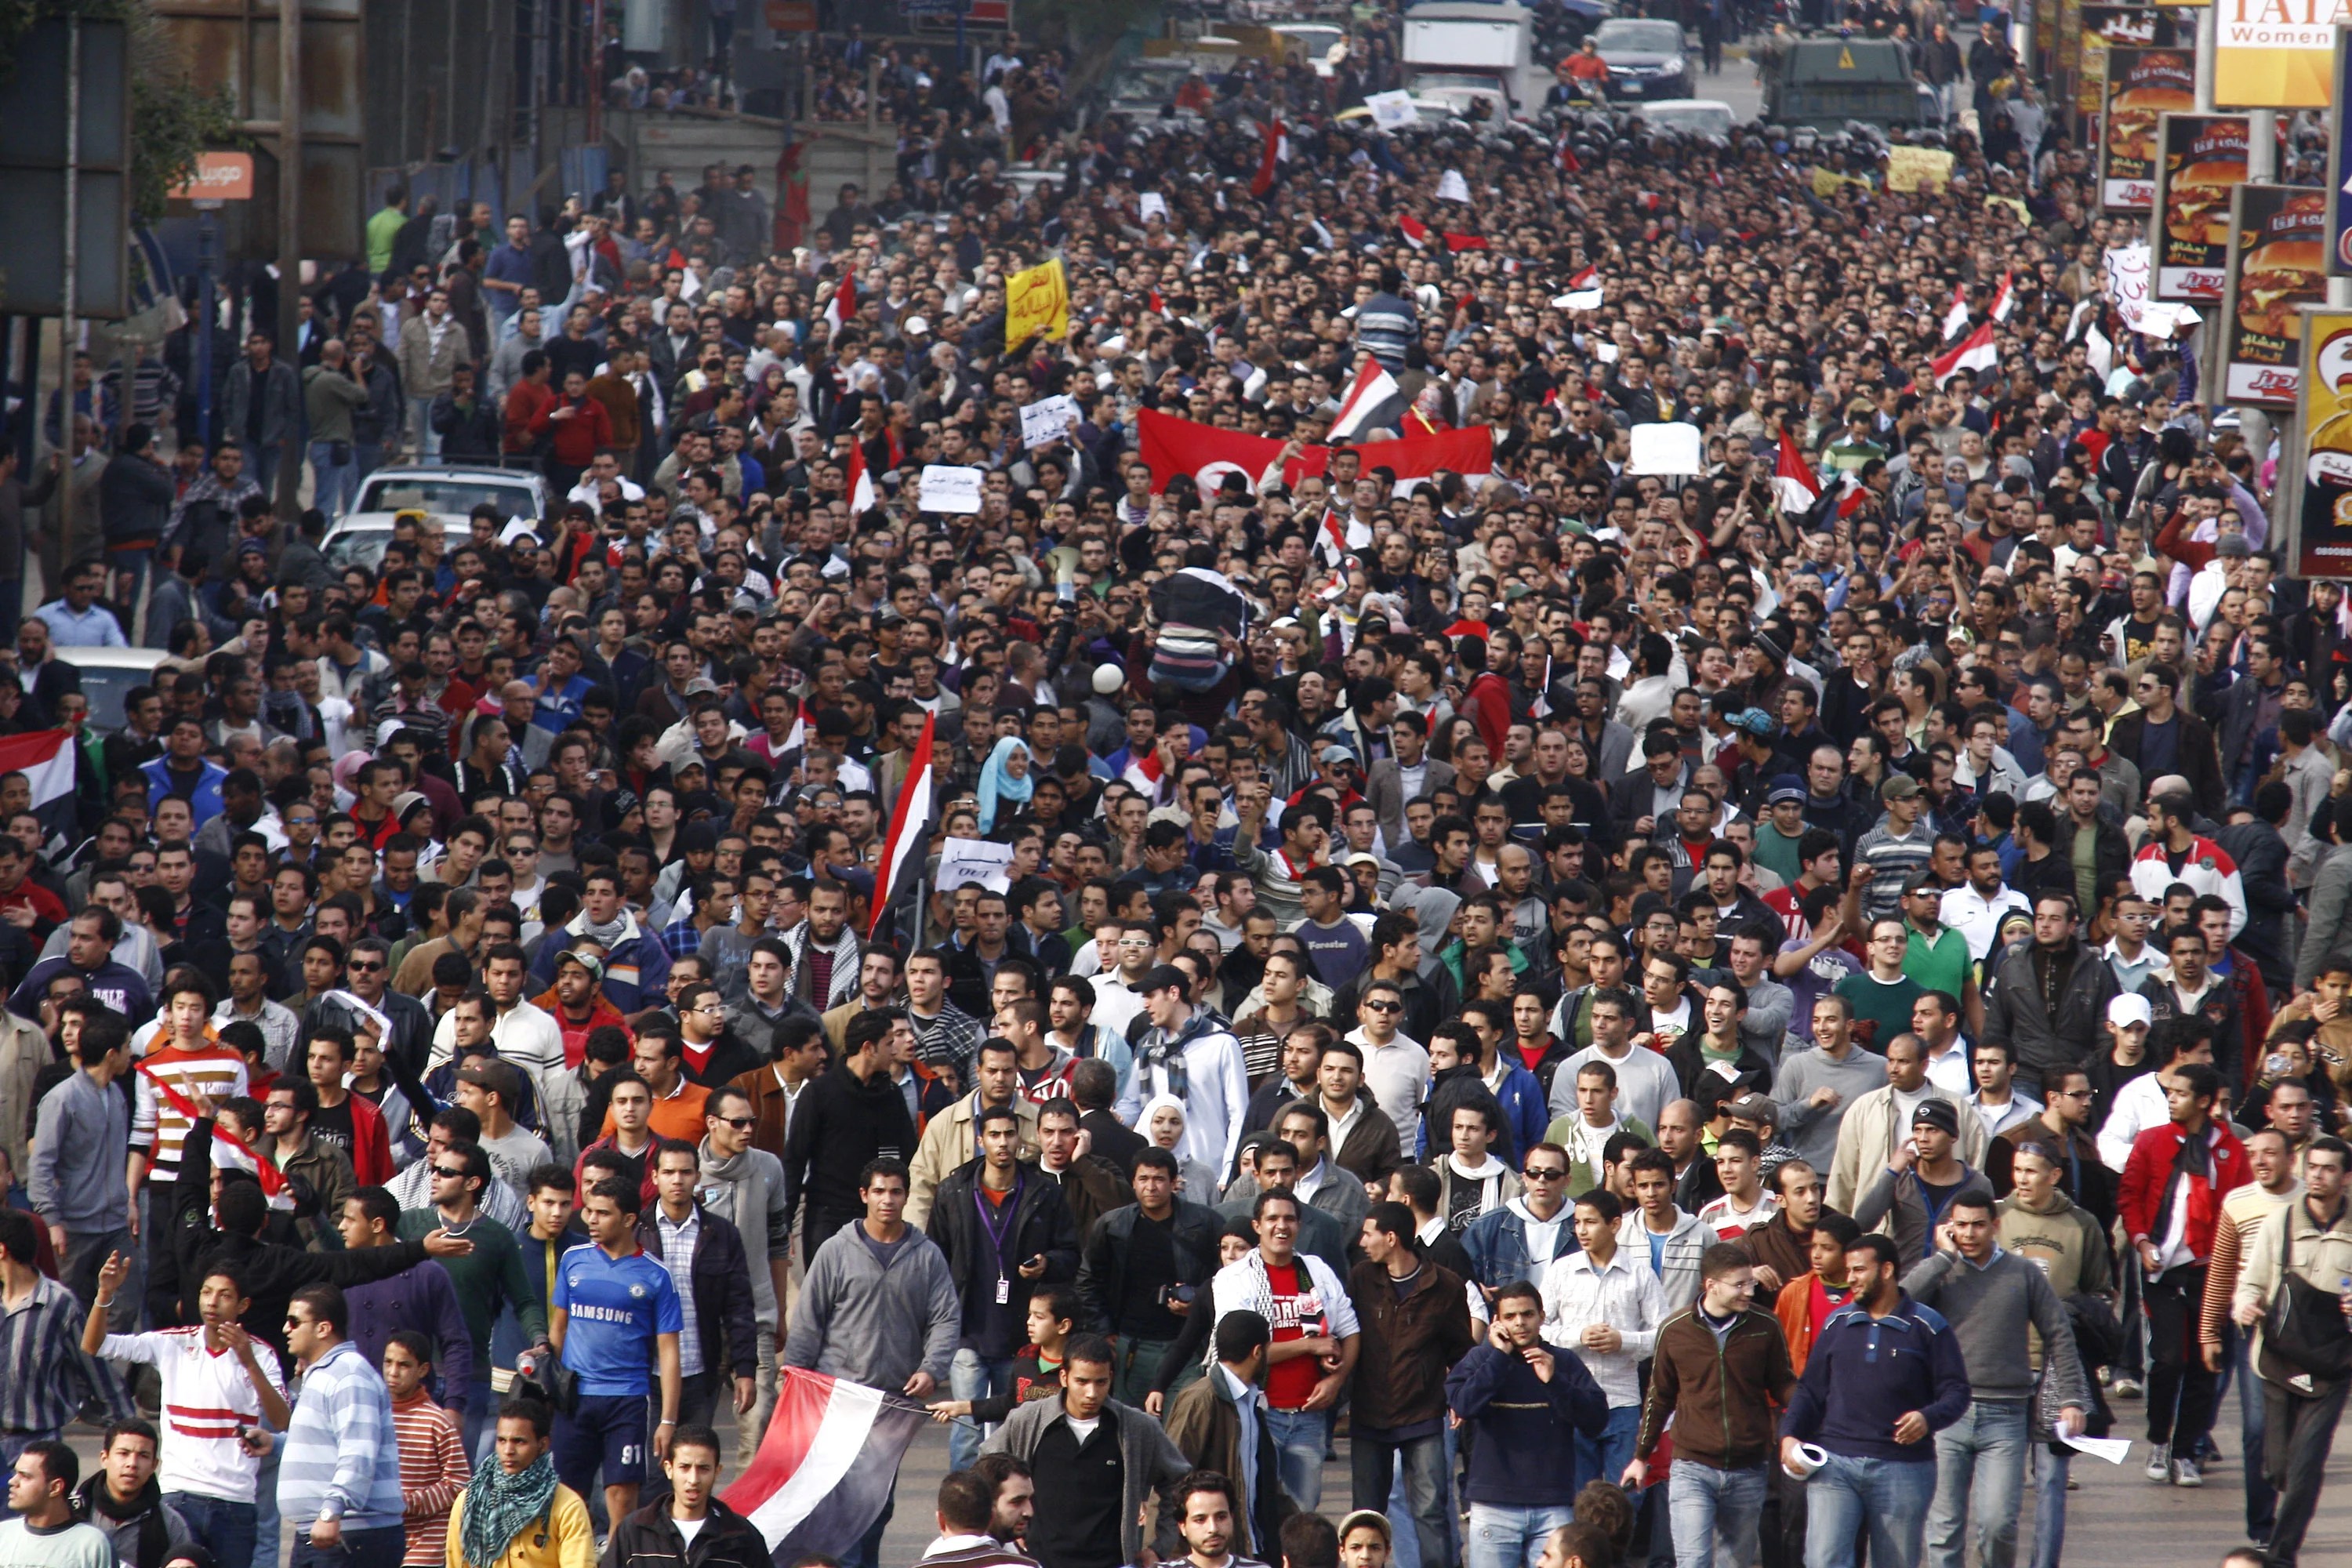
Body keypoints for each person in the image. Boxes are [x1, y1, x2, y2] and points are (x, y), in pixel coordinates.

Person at [782, 1158, 958, 1568]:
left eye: (896, 1192)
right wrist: (794, 1384)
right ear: (864, 1195)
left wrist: (932, 1368)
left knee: (877, 1504)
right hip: (837, 1399)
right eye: (879, 1191)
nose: (887, 1200)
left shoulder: (927, 1256)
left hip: (892, 1406)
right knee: (836, 1502)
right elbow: (809, 1321)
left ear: (906, 1196)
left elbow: (945, 1318)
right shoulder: (835, 1251)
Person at [1900, 1191, 2088, 1568]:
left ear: (1995, 1227)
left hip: (2005, 1414)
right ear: (1949, 1227)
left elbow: (2059, 1333)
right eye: (1961, 1225)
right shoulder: (1941, 1270)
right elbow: (1901, 1304)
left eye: (1978, 1225)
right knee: (1944, 1527)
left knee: (1998, 1523)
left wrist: (2071, 1398)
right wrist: (1941, 1257)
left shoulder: (2023, 1273)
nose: (1969, 1234)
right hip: (1946, 1414)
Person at [82, 1253, 289, 1568]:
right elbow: (95, 1345)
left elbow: (282, 1420)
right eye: (207, 1292)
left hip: (235, 1504)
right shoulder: (173, 1343)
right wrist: (105, 1295)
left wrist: (248, 1361)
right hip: (178, 1498)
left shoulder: (260, 1353)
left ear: (243, 1305)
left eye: (224, 1295)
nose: (212, 1302)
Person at [1779, 1233, 1974, 1568]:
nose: (1850, 1279)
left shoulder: (1928, 1326)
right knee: (1823, 1560)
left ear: (1886, 1270)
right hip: (1835, 1463)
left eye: (1858, 1270)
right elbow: (1810, 1390)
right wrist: (1788, 1436)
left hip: (1903, 1468)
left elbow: (1957, 1392)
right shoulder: (1837, 1323)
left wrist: (1928, 1418)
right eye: (1848, 1271)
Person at [927, 1103, 1081, 1470]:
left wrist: (1048, 1264)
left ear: (1019, 1138)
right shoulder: (954, 1191)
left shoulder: (1044, 1192)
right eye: (994, 1135)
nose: (1002, 1143)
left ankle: (1010, 1505)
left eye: (1009, 1134)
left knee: (1016, 1426)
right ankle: (964, 1506)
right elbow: (935, 1259)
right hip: (967, 1329)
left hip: (1022, 1334)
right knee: (966, 1428)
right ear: (980, 1140)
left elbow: (1071, 1252)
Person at [2119, 1062, 2251, 1486]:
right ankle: (2159, 1438)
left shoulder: (2230, 1147)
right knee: (2169, 1358)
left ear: (2203, 1101)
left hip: (2212, 1272)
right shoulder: (2152, 1140)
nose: (2170, 1098)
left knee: (2205, 1363)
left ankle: (2186, 1450)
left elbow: (2243, 1206)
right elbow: (2131, 1195)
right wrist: (2141, 1241)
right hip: (2164, 1268)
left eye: (2179, 1093)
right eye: (2169, 1092)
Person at [1623, 1243, 1794, 1568]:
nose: (1749, 1291)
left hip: (1749, 1466)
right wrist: (1641, 1457)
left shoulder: (1766, 1325)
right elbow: (1659, 1396)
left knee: (1736, 1564)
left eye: (1751, 1283)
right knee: (1693, 1561)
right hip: (1692, 1467)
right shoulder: (1674, 1330)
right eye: (1740, 1285)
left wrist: (1802, 1417)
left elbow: (1783, 1382)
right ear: (1711, 1286)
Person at [2230, 1135, 2352, 1567]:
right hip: (2278, 1359)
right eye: (2313, 1167)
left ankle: (2281, 1556)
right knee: (2276, 1466)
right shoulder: (2279, 1223)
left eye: (2329, 1169)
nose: (2318, 1176)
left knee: (2305, 1470)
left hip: (2331, 1367)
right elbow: (2251, 1280)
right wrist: (2243, 1303)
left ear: (2346, 1178)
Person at [978, 1334, 1192, 1568]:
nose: (1091, 1393)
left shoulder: (1137, 1428)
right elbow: (985, 1470)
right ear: (1064, 1377)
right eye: (1082, 1382)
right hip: (1037, 1561)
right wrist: (1006, 1526)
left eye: (1101, 1382)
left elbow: (1180, 1482)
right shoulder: (1028, 1420)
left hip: (1112, 1562)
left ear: (1111, 1378)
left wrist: (1159, 1547)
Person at [1207, 1189, 1359, 1513]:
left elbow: (1350, 1332)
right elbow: (1239, 1354)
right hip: (1259, 1412)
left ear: (1300, 1225)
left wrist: (1336, 1381)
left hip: (1310, 1418)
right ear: (1257, 1226)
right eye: (1272, 1218)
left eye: (1289, 1218)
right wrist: (1310, 1344)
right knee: (1253, 1509)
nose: (1281, 1226)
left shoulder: (1317, 1271)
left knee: (1303, 1514)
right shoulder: (1234, 1278)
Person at [546, 1177, 681, 1528]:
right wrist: (549, 1390)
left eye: (603, 1213)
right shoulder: (573, 1261)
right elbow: (558, 1329)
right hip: (575, 1397)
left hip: (627, 1400)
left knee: (621, 1498)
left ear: (628, 1220)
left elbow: (668, 1352)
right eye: (589, 1211)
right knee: (565, 1496)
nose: (591, 1219)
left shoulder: (656, 1275)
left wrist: (667, 1420)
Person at [1446, 1279, 1608, 1568]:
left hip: (1553, 1504)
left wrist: (1554, 1382)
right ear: (1496, 1321)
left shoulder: (1564, 1361)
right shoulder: (1482, 1358)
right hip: (1493, 1503)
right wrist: (1499, 1358)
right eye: (1510, 1317)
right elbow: (1463, 1405)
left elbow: (1596, 1420)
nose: (1519, 1323)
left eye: (1527, 1314)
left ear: (1542, 1317)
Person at [1346, 1203, 1472, 1568]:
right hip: (1370, 1413)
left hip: (1423, 1413)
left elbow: (1461, 1350)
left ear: (1391, 1237)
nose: (1362, 1241)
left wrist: (1458, 1399)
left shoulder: (1445, 1285)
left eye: (1369, 1233)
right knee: (1366, 1515)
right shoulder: (1361, 1278)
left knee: (1430, 1510)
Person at [636, 1142, 757, 1495]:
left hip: (700, 1370)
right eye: (669, 1172)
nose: (678, 1180)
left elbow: (739, 1306)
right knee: (652, 1472)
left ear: (697, 1177)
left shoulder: (720, 1234)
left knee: (690, 1471)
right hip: (646, 1372)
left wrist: (745, 1369)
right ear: (655, 1177)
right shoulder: (636, 1231)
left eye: (686, 1172)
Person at [1538, 1189, 1664, 1495]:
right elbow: (1538, 1328)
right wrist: (1578, 1336)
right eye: (1577, 1222)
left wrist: (1624, 1340)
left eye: (1591, 1222)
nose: (1581, 1230)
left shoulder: (1639, 1274)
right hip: (1573, 1398)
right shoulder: (1561, 1271)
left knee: (1628, 1495)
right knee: (1580, 1495)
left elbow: (1664, 1334)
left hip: (1623, 1401)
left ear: (1615, 1225)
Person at [1076, 1145, 1221, 1408]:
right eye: (1143, 1179)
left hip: (1187, 1345)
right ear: (1133, 1182)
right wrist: (1104, 1330)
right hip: (1131, 1345)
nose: (1151, 1187)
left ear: (1173, 1183)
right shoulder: (1113, 1226)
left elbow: (1226, 1277)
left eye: (1159, 1179)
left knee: (1182, 1429)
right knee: (1130, 1429)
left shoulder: (1204, 1223)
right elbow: (1088, 1281)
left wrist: (1199, 1302)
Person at [278, 1283, 408, 1568]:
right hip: (323, 1533)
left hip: (350, 1534)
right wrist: (274, 1443)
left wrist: (330, 1512)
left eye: (294, 1321)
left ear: (323, 1328)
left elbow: (358, 1452)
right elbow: (326, 1446)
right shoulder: (324, 1373)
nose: (286, 1329)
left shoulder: (348, 1373)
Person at [1160, 1311, 1294, 1561]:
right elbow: (1171, 1479)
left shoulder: (1252, 1399)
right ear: (1258, 1352)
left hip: (1256, 1549)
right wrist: (1165, 1554)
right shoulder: (1200, 1400)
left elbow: (1262, 1480)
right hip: (1211, 1554)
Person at [441, 1398, 595, 1568]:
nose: (508, 1451)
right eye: (501, 1440)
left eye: (519, 1441)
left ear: (543, 1445)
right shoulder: (469, 1501)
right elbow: (456, 1563)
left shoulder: (567, 1506)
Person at [601, 1423, 765, 1568]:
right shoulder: (634, 1531)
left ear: (717, 1472)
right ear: (669, 1469)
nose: (693, 1480)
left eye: (704, 1469)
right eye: (685, 1467)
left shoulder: (742, 1537)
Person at [378, 1331, 469, 1568]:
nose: (393, 1372)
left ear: (423, 1370)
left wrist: (410, 1502)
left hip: (426, 1543)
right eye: (388, 1362)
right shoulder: (374, 1416)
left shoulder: (436, 1421)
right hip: (380, 1534)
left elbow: (459, 1481)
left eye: (404, 1365)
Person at [71, 1418, 193, 1568]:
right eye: (123, 1453)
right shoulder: (73, 1511)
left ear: (154, 1465)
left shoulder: (170, 1524)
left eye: (143, 1456)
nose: (132, 1464)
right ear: (104, 1458)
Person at [0, 1441, 114, 1568]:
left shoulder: (91, 1544)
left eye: (25, 1476)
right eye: (16, 1473)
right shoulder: (4, 1534)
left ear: (55, 1487)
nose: (12, 1481)